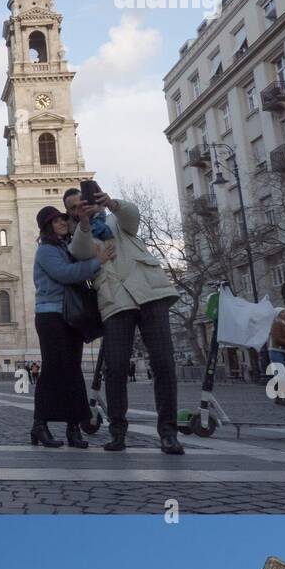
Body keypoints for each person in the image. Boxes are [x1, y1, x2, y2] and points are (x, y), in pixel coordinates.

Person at [67, 187, 184, 455]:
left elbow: (133, 217)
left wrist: (113, 203)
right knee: (115, 369)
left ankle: (168, 433)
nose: (80, 208)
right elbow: (81, 252)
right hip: (116, 302)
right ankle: (117, 433)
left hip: (150, 294)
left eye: (82, 203)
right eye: (74, 208)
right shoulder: (79, 237)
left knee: (164, 364)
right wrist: (84, 223)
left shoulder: (116, 221)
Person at [31, 205, 113, 447]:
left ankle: (73, 427)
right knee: (53, 371)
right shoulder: (46, 251)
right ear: (47, 227)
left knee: (74, 372)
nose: (63, 223)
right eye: (56, 221)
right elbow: (66, 274)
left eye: (63, 219)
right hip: (51, 316)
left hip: (71, 316)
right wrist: (97, 262)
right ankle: (40, 424)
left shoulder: (66, 247)